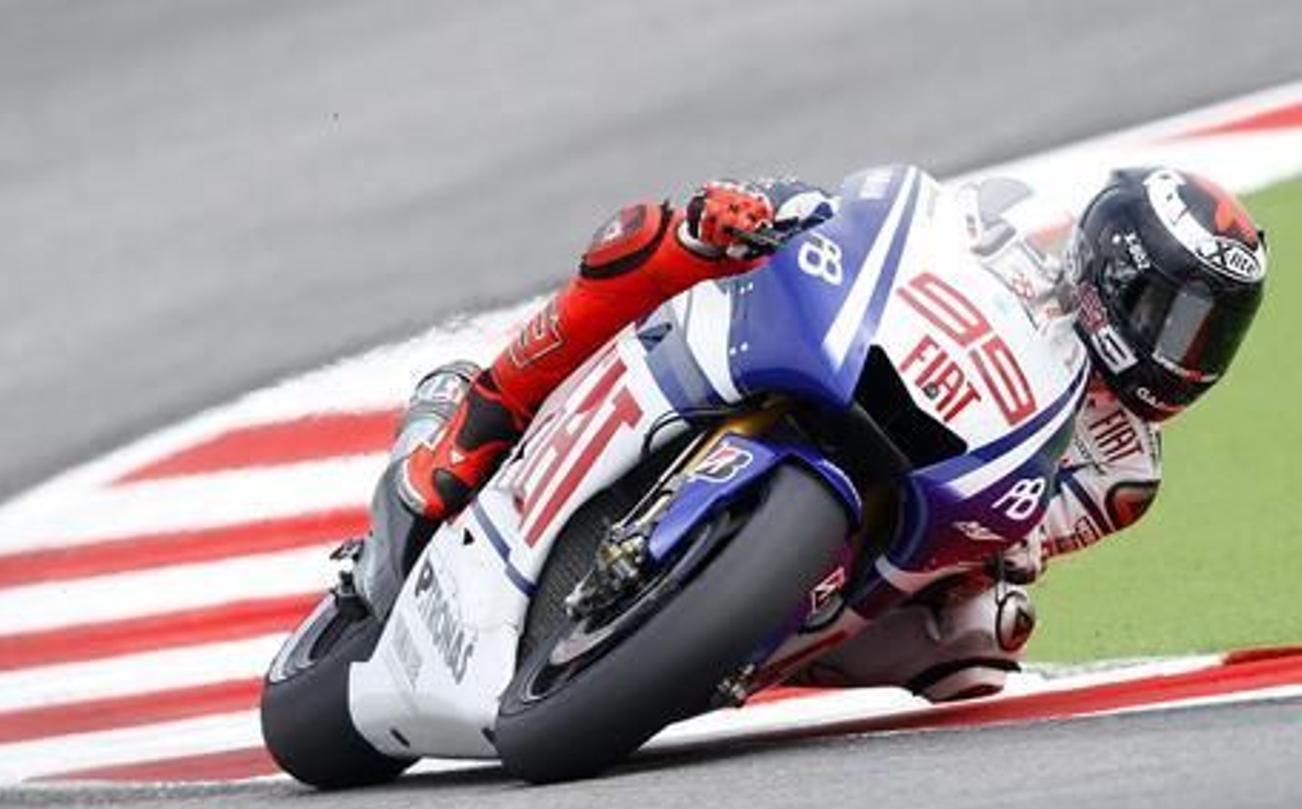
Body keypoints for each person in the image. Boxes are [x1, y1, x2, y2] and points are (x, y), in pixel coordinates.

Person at [353, 166, 1269, 703]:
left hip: (919, 524)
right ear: (1112, 272)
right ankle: (483, 409)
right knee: (670, 236)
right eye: (1173, 314)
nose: (1179, 348)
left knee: (990, 636)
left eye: (1208, 332)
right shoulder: (1013, 235)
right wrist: (786, 208)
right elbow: (893, 220)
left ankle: (723, 643)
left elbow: (1028, 537)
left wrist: (1006, 561)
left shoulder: (1124, 470)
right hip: (845, 366)